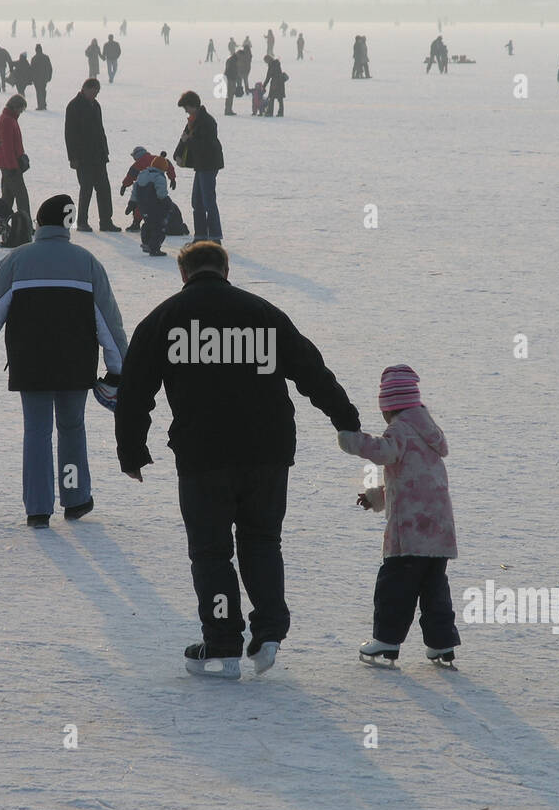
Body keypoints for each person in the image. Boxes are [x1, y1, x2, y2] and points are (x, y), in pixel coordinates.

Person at [114, 241, 361, 679]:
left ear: (183, 273)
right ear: (226, 268)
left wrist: (132, 451)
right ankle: (267, 634)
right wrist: (345, 419)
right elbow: (311, 371)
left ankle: (222, 642)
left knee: (210, 552)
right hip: (267, 451)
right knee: (262, 540)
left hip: (202, 453)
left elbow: (134, 392)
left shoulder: (164, 319)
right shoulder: (264, 314)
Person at [0, 193, 128, 527]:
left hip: (30, 363)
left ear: (38, 223)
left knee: (36, 431)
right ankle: (75, 498)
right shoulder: (87, 262)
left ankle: (38, 508)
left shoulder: (17, 260)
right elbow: (108, 320)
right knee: (72, 428)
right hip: (75, 365)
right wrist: (119, 366)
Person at [340, 365, 460, 667]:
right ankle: (442, 645)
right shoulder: (427, 432)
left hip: (410, 534)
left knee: (395, 588)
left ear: (389, 408)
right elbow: (412, 481)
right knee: (434, 590)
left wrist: (352, 440)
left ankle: (387, 641)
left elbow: (383, 452)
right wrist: (376, 497)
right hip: (438, 532)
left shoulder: (400, 430)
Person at [64, 78, 120, 232]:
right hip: (83, 157)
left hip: (99, 156)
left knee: (104, 189)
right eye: (93, 92)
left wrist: (105, 150)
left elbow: (100, 130)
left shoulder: (96, 105)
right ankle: (82, 221)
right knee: (86, 189)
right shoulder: (74, 106)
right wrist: (73, 157)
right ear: (85, 89)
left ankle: (106, 221)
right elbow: (69, 133)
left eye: (97, 92)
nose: (95, 95)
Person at [174, 91, 224, 242]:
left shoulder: (207, 121)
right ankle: (200, 236)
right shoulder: (193, 120)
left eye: (186, 107)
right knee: (197, 201)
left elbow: (206, 146)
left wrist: (188, 140)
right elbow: (184, 137)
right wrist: (177, 153)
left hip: (209, 164)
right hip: (201, 165)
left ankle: (215, 237)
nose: (185, 111)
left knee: (208, 201)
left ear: (193, 105)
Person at [0, 94, 32, 244]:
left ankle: (1, 224)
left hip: (7, 164)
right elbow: (8, 147)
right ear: (15, 107)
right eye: (21, 110)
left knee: (7, 198)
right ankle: (26, 226)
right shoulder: (8, 121)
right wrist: (14, 167)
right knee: (22, 196)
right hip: (10, 166)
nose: (21, 113)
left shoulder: (8, 119)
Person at [120, 145, 177, 232]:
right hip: (157, 189)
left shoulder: (138, 163)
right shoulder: (156, 158)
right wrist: (172, 178)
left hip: (144, 189)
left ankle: (136, 223)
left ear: (137, 156)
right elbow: (169, 165)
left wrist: (124, 185)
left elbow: (130, 176)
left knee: (140, 204)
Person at [133, 153, 173, 257]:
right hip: (155, 207)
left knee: (147, 224)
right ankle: (154, 248)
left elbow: (135, 189)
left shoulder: (142, 174)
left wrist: (132, 202)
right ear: (163, 168)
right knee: (158, 227)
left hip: (143, 207)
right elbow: (161, 194)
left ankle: (146, 243)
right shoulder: (159, 177)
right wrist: (167, 202)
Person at [31, 44, 52, 111]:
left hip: (36, 78)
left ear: (36, 50)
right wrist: (49, 76)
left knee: (38, 91)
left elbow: (32, 69)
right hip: (44, 78)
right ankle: (44, 104)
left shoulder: (34, 58)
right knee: (43, 90)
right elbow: (50, 68)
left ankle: (40, 105)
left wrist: (32, 78)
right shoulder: (46, 57)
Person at [223, 48, 241, 116]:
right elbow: (231, 70)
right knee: (230, 95)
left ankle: (229, 109)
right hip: (231, 79)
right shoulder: (233, 60)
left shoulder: (232, 59)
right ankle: (228, 110)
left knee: (230, 95)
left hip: (231, 78)